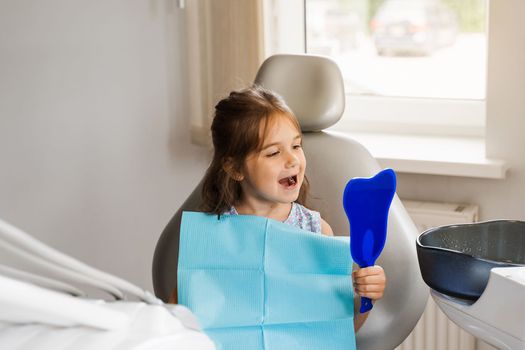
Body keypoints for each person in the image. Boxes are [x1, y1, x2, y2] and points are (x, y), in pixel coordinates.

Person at [174, 85, 386, 332]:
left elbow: (339, 328)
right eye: (274, 152)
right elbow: (179, 319)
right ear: (235, 168)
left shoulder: (315, 233)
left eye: (296, 146)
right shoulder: (211, 238)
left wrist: (366, 297)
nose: (292, 159)